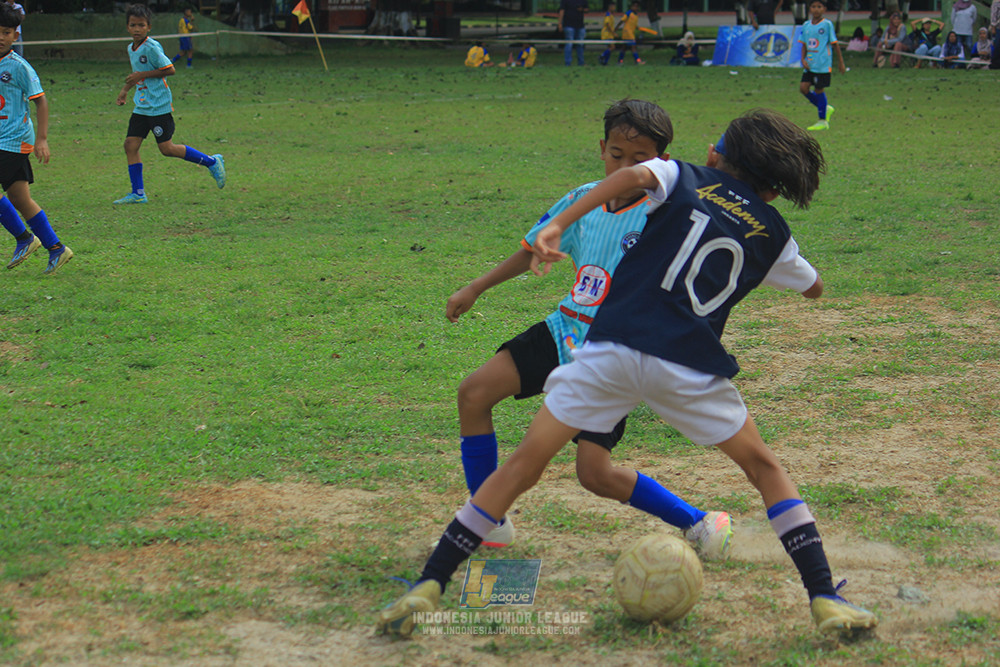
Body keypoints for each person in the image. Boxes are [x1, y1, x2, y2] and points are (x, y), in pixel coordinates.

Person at [376, 109, 879, 640]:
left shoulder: (681, 175)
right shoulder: (774, 233)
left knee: (523, 465)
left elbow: (633, 177)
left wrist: (558, 223)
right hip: (688, 365)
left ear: (715, 154)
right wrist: (778, 253)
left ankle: (429, 583)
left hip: (611, 348)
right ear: (775, 190)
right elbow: (814, 288)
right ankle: (824, 595)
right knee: (764, 468)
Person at [446, 98, 732, 557]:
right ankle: (489, 521)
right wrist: (477, 287)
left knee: (594, 474)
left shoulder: (667, 214)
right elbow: (532, 248)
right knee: (473, 393)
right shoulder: (584, 199)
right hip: (564, 329)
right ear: (602, 148)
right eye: (616, 154)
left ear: (662, 161)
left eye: (639, 159)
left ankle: (697, 521)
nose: (625, 167)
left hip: (612, 353)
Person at [113, 4, 225, 205]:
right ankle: (138, 193)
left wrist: (142, 75)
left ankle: (211, 161)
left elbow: (169, 69)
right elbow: (137, 75)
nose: (137, 29)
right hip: (142, 105)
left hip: (158, 106)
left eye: (141, 25)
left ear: (149, 27)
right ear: (127, 27)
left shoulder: (151, 47)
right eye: (133, 25)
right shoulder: (131, 48)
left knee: (166, 148)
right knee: (130, 145)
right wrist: (125, 90)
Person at [0, 4, 73, 275]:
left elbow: (40, 101)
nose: (1, 37)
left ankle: (25, 238)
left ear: (16, 35)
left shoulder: (19, 66)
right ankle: (56, 248)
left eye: (6, 32)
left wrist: (42, 139)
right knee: (19, 198)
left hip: (13, 140)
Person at [798, 0, 844, 132]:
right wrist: (803, 59)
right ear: (810, 9)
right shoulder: (806, 25)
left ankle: (822, 121)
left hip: (822, 64)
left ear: (824, 9)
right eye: (813, 6)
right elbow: (804, 44)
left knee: (819, 89)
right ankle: (825, 107)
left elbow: (835, 44)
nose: (816, 9)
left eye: (819, 7)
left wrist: (840, 62)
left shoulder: (827, 24)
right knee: (803, 88)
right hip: (810, 63)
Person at [558, 0, 588, 67]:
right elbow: (562, 10)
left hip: (580, 25)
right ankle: (568, 62)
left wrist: (582, 9)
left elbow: (587, 9)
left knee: (580, 44)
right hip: (568, 24)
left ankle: (581, 62)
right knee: (569, 43)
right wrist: (560, 23)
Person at [616, 0, 645, 64]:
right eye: (634, 6)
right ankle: (638, 61)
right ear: (631, 6)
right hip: (627, 32)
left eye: (637, 6)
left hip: (630, 33)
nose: (635, 8)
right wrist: (616, 28)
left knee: (624, 47)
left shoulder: (636, 15)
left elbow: (634, 24)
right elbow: (622, 20)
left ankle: (620, 61)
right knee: (633, 47)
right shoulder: (628, 13)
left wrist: (639, 28)